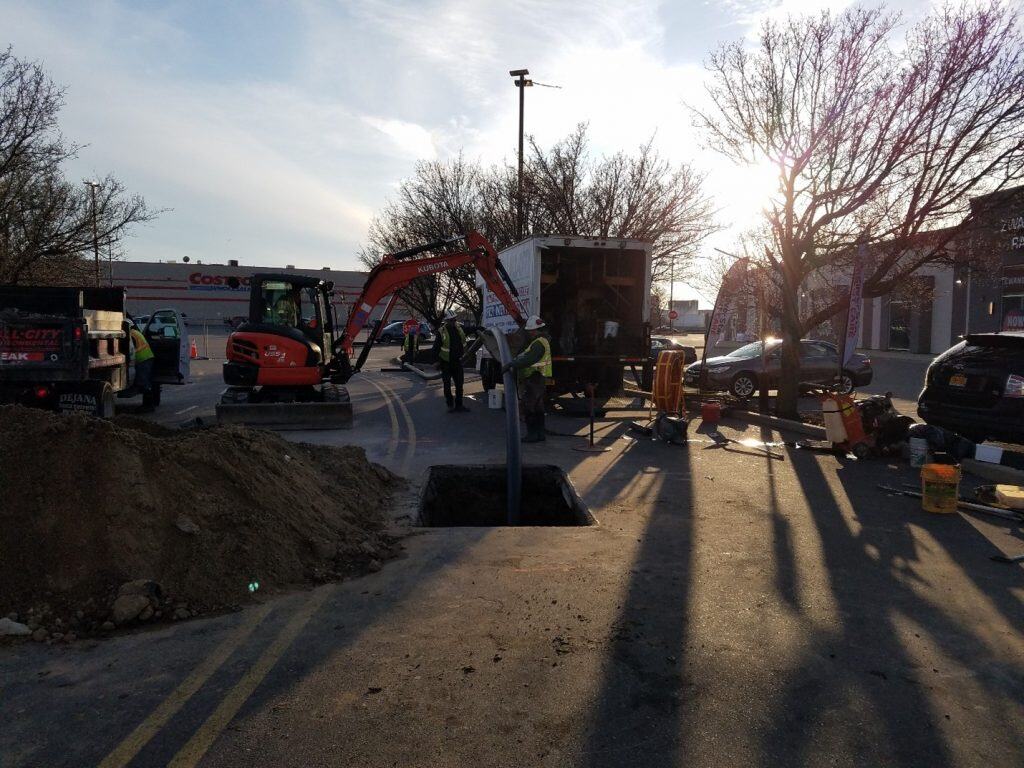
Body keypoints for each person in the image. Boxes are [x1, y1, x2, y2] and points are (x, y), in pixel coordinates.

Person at [503, 315, 552, 442]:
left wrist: (511, 364)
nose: (529, 333)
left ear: (535, 330)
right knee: (538, 407)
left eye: (530, 330)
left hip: (533, 378)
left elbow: (528, 359)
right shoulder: (542, 341)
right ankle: (540, 434)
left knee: (529, 406)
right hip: (539, 378)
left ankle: (532, 434)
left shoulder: (537, 344)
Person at [434, 309, 468, 413]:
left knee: (459, 384)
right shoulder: (441, 332)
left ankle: (459, 405)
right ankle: (450, 404)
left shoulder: (459, 328)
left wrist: (480, 328)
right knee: (447, 385)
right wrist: (436, 361)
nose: (454, 322)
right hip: (446, 363)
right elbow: (436, 348)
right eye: (451, 320)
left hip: (457, 362)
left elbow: (469, 329)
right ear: (447, 321)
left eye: (455, 320)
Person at [129, 322, 155, 403]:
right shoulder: (135, 332)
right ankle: (149, 404)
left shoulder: (131, 335)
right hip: (146, 358)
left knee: (143, 382)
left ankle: (148, 405)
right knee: (144, 381)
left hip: (143, 359)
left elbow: (131, 350)